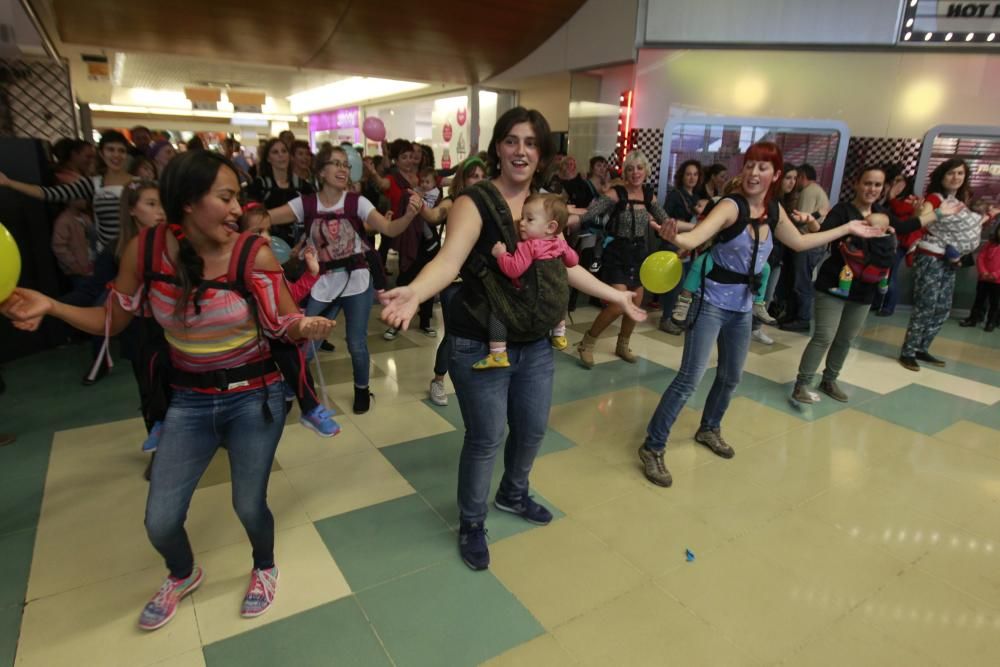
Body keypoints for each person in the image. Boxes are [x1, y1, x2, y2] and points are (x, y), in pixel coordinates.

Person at [1, 150, 334, 630]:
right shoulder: (147, 250)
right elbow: (114, 319)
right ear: (186, 204)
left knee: (248, 503)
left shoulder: (252, 253)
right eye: (226, 197)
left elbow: (283, 324)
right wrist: (51, 306)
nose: (238, 209)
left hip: (252, 397)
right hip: (189, 401)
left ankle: (264, 566)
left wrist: (305, 328)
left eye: (237, 197)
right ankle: (183, 573)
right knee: (159, 519)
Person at [380, 107, 645, 570]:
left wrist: (617, 299)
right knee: (486, 438)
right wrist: (415, 292)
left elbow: (569, 265)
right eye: (512, 140)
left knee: (532, 429)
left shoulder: (547, 207)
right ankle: (471, 521)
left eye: (530, 143)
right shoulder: (474, 201)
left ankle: (513, 494)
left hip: (536, 342)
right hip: (479, 341)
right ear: (498, 147)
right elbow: (449, 261)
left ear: (541, 154)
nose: (520, 150)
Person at [639, 142, 881, 488]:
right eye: (750, 165)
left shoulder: (773, 211)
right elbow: (695, 238)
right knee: (690, 378)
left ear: (776, 175)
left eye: (763, 167)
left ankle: (709, 428)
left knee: (731, 376)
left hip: (742, 307)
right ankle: (653, 446)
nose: (754, 173)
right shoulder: (729, 206)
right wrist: (671, 231)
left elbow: (800, 243)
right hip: (710, 303)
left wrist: (847, 229)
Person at [269, 147, 424, 414]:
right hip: (323, 281)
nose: (343, 169)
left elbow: (388, 228)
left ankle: (362, 389)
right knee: (306, 343)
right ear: (321, 171)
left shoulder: (357, 202)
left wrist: (409, 215)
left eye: (346, 165)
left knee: (356, 343)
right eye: (336, 164)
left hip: (357, 280)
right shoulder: (305, 204)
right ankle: (291, 389)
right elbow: (266, 218)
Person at [791, 166, 940, 403]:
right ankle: (802, 383)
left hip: (865, 288)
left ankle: (830, 379)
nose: (872, 189)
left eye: (878, 185)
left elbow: (907, 227)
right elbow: (825, 233)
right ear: (857, 184)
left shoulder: (883, 213)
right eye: (868, 183)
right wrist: (811, 221)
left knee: (846, 338)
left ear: (883, 188)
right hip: (834, 284)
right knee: (824, 336)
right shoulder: (843, 211)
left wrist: (937, 213)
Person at [575, 150, 675, 366]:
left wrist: (685, 233)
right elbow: (589, 215)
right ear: (625, 172)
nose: (635, 172)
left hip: (639, 254)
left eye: (639, 168)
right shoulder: (615, 193)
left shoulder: (650, 197)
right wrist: (567, 218)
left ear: (646, 171)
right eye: (630, 168)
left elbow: (665, 221)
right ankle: (587, 343)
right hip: (616, 252)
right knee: (619, 304)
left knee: (637, 303)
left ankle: (622, 345)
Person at [899, 158, 986, 371]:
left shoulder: (959, 200)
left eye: (960, 173)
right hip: (931, 257)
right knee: (926, 305)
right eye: (950, 173)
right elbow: (925, 216)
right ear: (942, 176)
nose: (955, 177)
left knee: (943, 308)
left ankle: (922, 347)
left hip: (949, 260)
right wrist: (920, 212)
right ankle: (908, 351)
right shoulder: (935, 198)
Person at [475, 193, 578, 369]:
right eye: (522, 217)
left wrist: (501, 255)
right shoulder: (560, 244)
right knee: (559, 294)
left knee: (498, 313)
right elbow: (573, 261)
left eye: (529, 219)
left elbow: (513, 269)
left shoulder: (529, 246)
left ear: (551, 227)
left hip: (530, 305)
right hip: (556, 307)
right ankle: (559, 334)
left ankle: (498, 353)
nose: (521, 222)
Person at [422, 157, 488, 407]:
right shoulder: (455, 202)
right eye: (473, 176)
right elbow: (433, 214)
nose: (478, 181)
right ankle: (439, 379)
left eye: (482, 176)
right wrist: (420, 206)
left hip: (483, 279)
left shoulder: (490, 204)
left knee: (484, 330)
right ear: (463, 179)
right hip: (455, 279)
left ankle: (479, 377)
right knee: (453, 334)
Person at [0, 130, 132, 252]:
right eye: (111, 150)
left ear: (126, 155)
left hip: (135, 252)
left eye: (121, 151)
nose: (116, 155)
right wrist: (10, 183)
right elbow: (49, 194)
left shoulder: (138, 184)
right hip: (107, 254)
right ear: (101, 153)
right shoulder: (92, 184)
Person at [780, 163, 828, 332]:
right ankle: (794, 315)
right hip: (810, 242)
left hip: (807, 242)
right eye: (789, 178)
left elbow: (802, 219)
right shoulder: (816, 191)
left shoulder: (809, 192)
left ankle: (801, 318)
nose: (793, 182)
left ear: (802, 177)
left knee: (801, 282)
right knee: (798, 280)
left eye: (795, 178)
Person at [247, 138, 315, 247]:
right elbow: (250, 215)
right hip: (267, 243)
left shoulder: (303, 186)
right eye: (275, 152)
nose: (281, 155)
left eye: (284, 151)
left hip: (298, 245)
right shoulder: (260, 185)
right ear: (268, 159)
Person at [961, 221, 1000, 331]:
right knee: (979, 300)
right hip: (984, 278)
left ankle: (991, 322)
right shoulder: (989, 243)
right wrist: (983, 272)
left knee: (995, 303)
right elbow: (981, 257)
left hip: (997, 281)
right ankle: (973, 319)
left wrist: (995, 274)